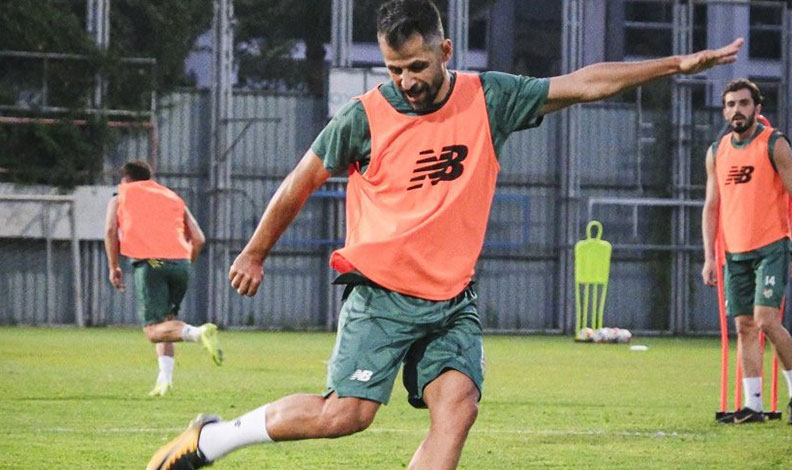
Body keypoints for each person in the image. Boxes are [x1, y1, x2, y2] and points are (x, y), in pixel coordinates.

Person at [148, 1, 742, 468]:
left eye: (417, 66)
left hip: (452, 299)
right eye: (394, 69)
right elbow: (299, 182)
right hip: (381, 295)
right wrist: (255, 252)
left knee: (457, 408)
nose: (407, 80)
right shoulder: (363, 116)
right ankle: (213, 439)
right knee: (346, 416)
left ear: (445, 50)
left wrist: (675, 65)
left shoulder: (490, 98)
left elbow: (585, 82)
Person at [702, 79, 792, 424]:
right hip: (735, 252)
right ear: (724, 111)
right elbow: (712, 206)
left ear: (757, 108)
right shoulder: (717, 151)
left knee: (767, 321)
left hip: (772, 246)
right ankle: (753, 405)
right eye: (730, 104)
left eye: (743, 103)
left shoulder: (774, 144)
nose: (736, 110)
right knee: (744, 327)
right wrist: (710, 257)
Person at [104, 160, 222, 397]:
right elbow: (198, 238)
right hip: (181, 263)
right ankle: (164, 380)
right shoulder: (172, 197)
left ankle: (198, 333)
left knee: (153, 331)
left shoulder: (120, 197)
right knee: (167, 322)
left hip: (151, 263)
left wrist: (113, 266)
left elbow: (109, 231)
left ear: (126, 180)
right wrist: (183, 264)